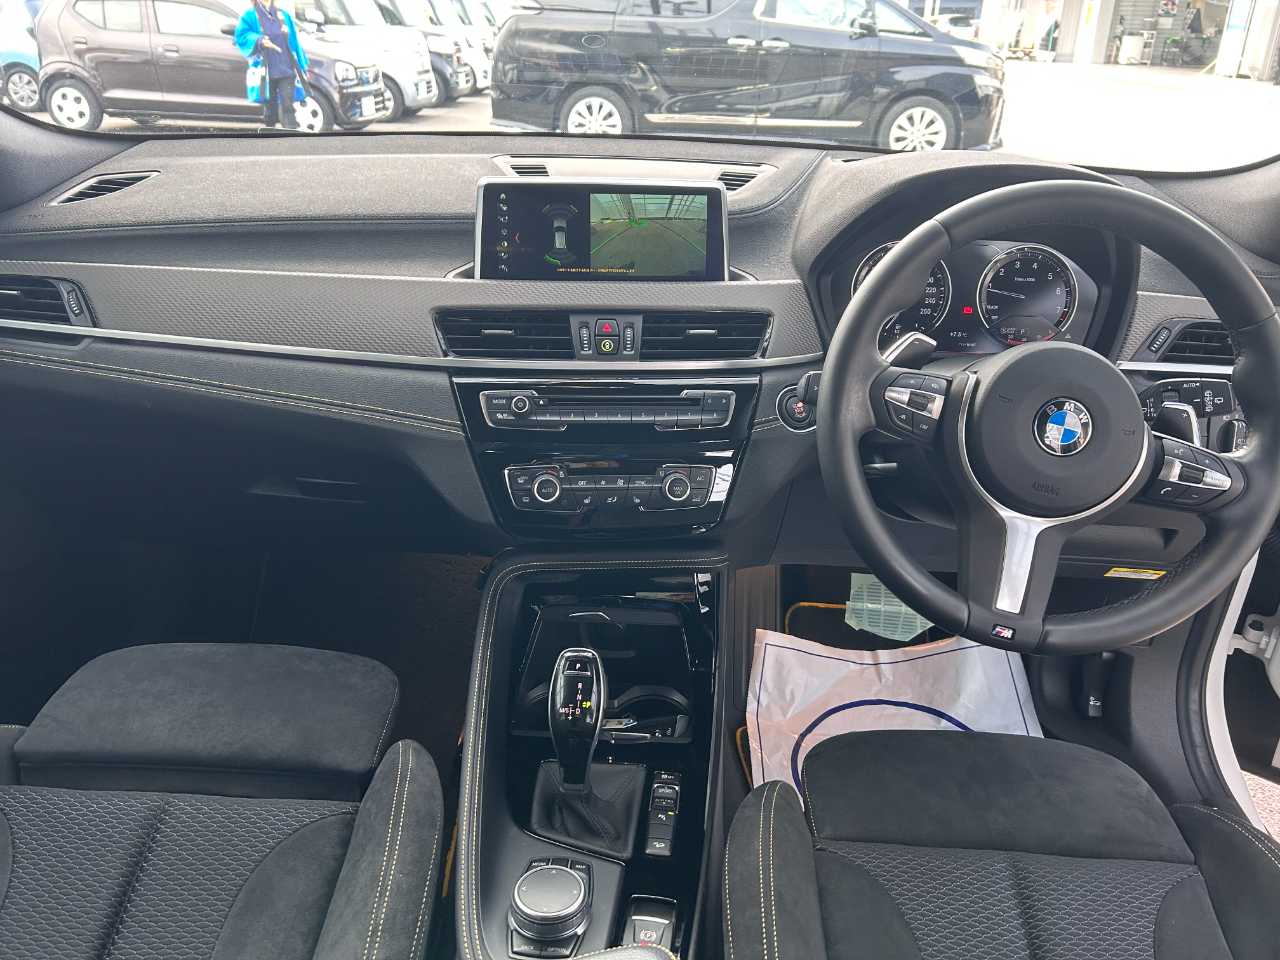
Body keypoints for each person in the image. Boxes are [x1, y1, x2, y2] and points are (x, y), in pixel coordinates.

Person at [234, 0, 310, 129]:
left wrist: (303, 65)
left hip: (286, 68)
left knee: (288, 105)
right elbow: (241, 36)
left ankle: (292, 134)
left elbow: (294, 42)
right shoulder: (250, 15)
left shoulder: (283, 15)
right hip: (266, 70)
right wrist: (259, 40)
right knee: (270, 109)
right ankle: (270, 133)